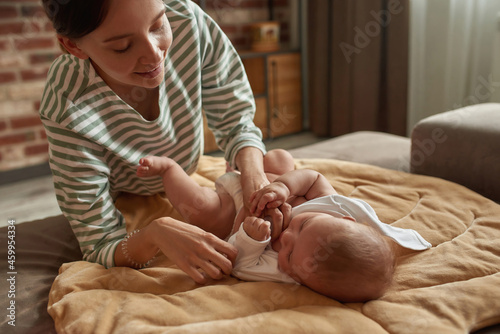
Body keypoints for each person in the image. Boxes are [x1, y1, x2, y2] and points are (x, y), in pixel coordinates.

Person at [39, 0, 272, 284]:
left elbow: (236, 120)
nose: (154, 55)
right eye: (122, 47)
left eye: (159, 25)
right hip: (126, 197)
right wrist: (154, 234)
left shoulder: (187, 20)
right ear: (73, 47)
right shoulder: (67, 105)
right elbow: (99, 244)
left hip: (188, 169)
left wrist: (254, 175)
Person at [137, 150, 432, 302]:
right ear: (344, 220)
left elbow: (239, 264)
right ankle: (240, 168)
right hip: (266, 181)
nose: (285, 237)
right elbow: (313, 178)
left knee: (199, 209)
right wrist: (282, 187)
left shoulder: (281, 272)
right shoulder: (333, 206)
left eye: (288, 255)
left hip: (232, 211)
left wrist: (252, 238)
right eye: (301, 228)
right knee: (281, 158)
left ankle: (168, 169)